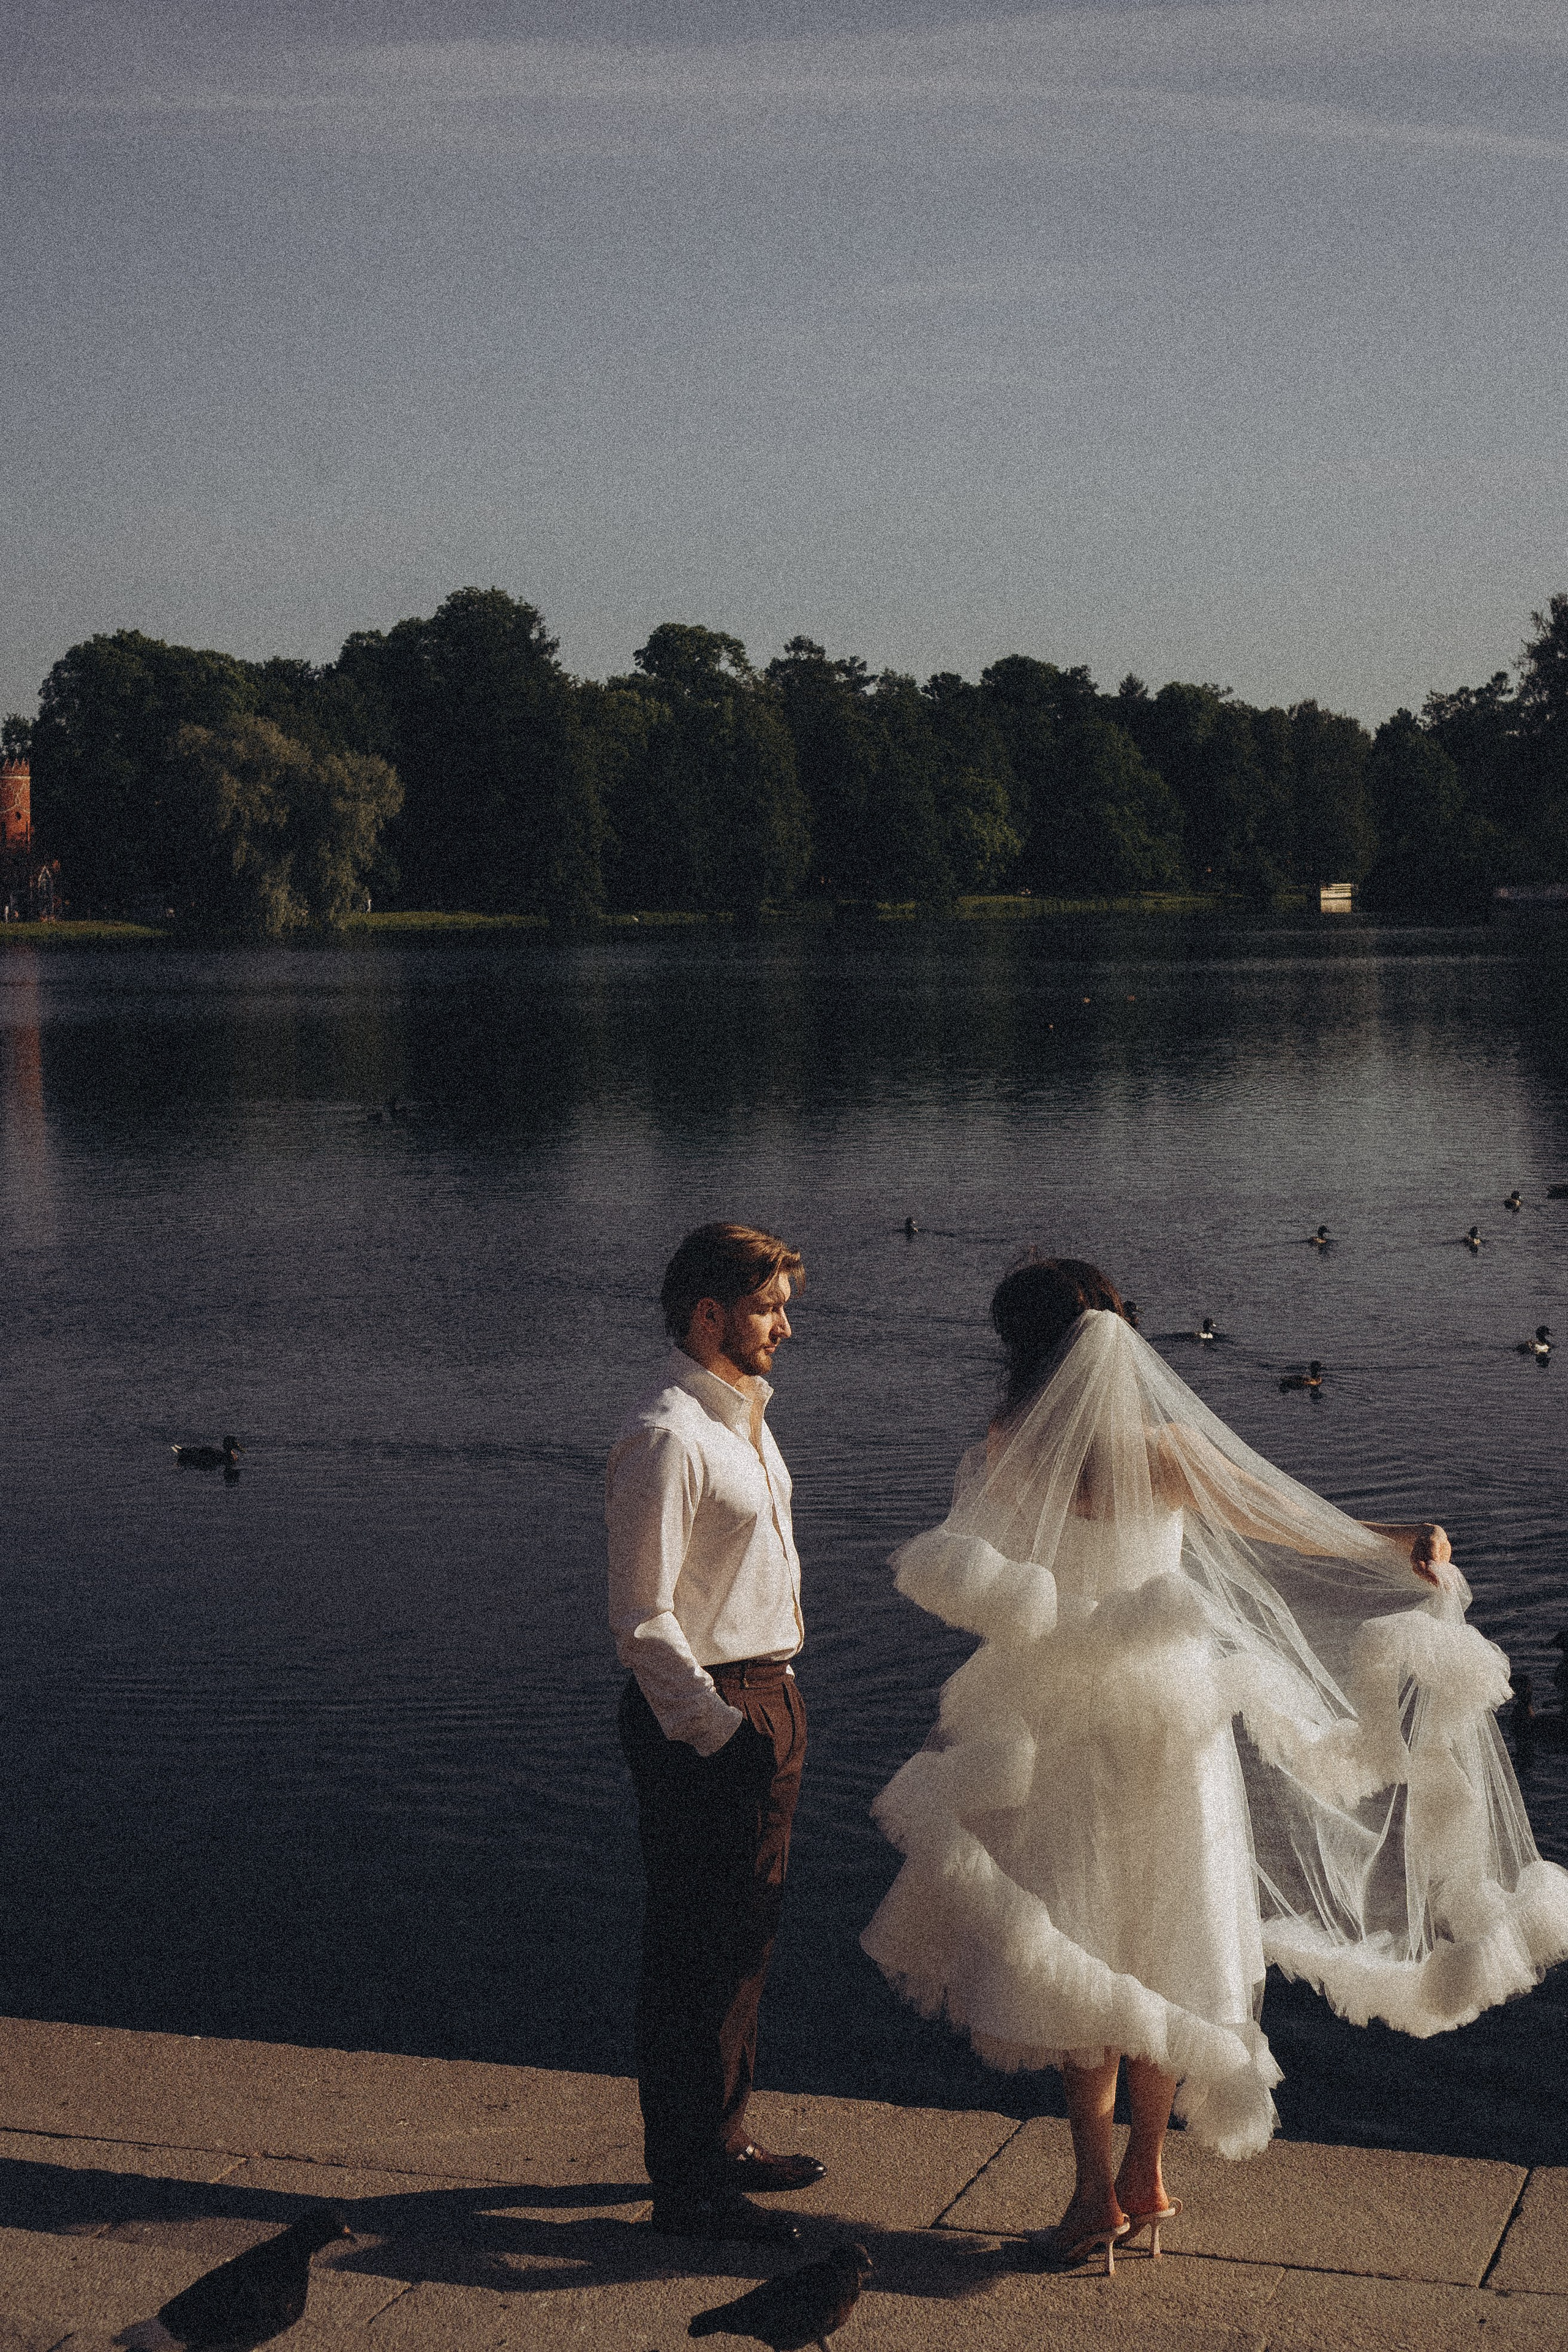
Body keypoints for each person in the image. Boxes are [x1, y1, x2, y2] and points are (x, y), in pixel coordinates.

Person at [862, 1257, 1568, 2276]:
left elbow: (990, 1577)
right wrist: (1397, 1545)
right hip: (1172, 1717)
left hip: (1057, 1715)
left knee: (1080, 1937)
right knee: (1170, 1937)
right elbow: (1286, 1526)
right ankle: (1147, 2176)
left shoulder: (1007, 1449)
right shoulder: (1167, 1452)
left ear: (1024, 1356)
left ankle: (1091, 2196)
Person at [608, 1222, 824, 2246]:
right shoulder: (667, 1436)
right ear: (710, 1315)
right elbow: (643, 1620)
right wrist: (720, 1730)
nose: (788, 1322)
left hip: (767, 1693)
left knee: (745, 1937)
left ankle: (722, 2138)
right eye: (769, 1305)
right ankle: (684, 2185)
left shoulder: (744, 1418)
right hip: (710, 1712)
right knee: (693, 1948)